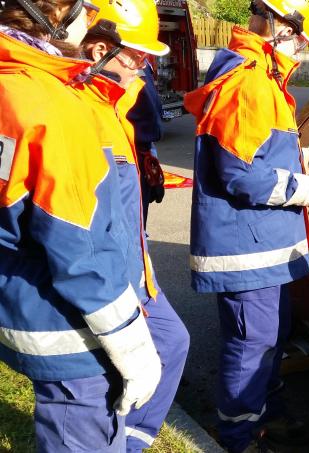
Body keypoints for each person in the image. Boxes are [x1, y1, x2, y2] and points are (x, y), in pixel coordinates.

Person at [0, 0, 162, 451]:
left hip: (24, 299)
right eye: (84, 10)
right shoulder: (50, 103)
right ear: (56, 16)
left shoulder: (10, 84)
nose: (90, 21)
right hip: (69, 328)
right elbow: (81, 247)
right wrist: (132, 348)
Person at [184, 0, 309, 451]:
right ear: (282, 27)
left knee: (271, 338)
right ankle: (236, 435)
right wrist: (305, 190)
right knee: (252, 346)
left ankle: (268, 414)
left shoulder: (263, 77)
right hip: (246, 248)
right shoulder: (249, 80)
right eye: (299, 41)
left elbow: (258, 152)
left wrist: (302, 159)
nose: (299, 52)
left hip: (264, 246)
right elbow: (239, 174)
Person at [79, 0, 191, 450]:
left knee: (172, 342)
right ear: (98, 52)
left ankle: (133, 441)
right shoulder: (80, 113)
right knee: (93, 394)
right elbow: (77, 229)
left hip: (132, 271)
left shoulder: (109, 104)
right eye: (136, 57)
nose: (145, 69)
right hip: (107, 283)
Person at [127, 59, 165, 227]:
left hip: (142, 147)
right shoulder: (128, 61)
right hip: (132, 148)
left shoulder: (140, 63)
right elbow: (151, 109)